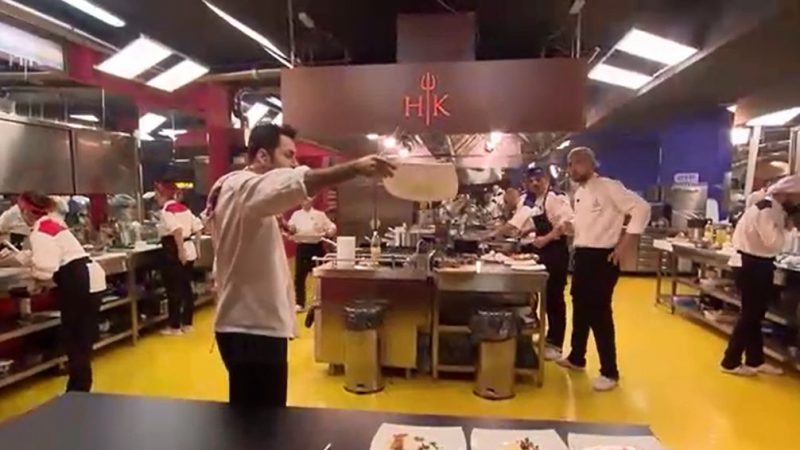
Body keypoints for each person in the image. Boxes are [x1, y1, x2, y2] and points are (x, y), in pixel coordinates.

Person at [205, 124, 395, 408]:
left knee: (254, 420)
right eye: (288, 155)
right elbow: (297, 182)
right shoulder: (243, 187)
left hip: (247, 327)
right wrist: (354, 168)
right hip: (252, 331)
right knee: (262, 422)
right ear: (262, 157)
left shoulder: (234, 190)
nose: (294, 163)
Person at [557, 147, 650, 392]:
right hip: (582, 256)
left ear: (591, 164)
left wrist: (625, 246)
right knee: (579, 307)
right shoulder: (579, 193)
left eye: (578, 162)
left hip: (602, 258)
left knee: (599, 314)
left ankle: (610, 371)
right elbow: (587, 224)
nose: (573, 168)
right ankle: (577, 357)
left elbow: (642, 209)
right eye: (570, 164)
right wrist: (570, 226)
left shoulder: (609, 187)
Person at [18, 191, 106, 392]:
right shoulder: (53, 223)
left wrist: (32, 273)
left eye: (22, 210)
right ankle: (79, 388)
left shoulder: (40, 232)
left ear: (28, 212)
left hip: (79, 283)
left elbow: (45, 269)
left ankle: (78, 391)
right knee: (82, 341)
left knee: (75, 342)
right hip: (90, 280)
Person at [721, 175, 800, 376]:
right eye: (796, 197)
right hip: (752, 265)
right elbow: (773, 243)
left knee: (755, 315)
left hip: (758, 264)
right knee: (750, 315)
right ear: (786, 193)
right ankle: (730, 362)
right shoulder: (767, 210)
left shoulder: (774, 209)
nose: (797, 202)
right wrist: (789, 228)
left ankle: (755, 361)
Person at [518, 167, 574, 361]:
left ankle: (556, 344)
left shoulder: (556, 197)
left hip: (556, 252)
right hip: (542, 251)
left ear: (547, 179)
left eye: (539, 179)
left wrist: (546, 238)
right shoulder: (536, 200)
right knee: (539, 296)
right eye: (531, 180)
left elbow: (565, 224)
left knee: (554, 298)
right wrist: (528, 231)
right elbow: (543, 221)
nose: (535, 183)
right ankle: (544, 336)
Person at [154, 181, 204, 336]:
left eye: (157, 194)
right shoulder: (184, 209)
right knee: (186, 288)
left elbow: (177, 230)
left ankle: (174, 326)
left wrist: (180, 251)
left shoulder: (167, 210)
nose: (155, 197)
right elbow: (198, 227)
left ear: (163, 195)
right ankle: (187, 323)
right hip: (189, 250)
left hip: (174, 251)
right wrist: (198, 247)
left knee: (173, 289)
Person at [288, 198, 336, 311]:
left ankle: (321, 300)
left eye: (308, 200)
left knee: (320, 276)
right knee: (299, 277)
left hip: (316, 247)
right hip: (302, 247)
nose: (306, 202)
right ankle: (299, 303)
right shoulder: (296, 215)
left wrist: (329, 232)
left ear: (312, 201)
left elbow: (332, 227)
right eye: (304, 200)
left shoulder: (320, 215)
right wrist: (292, 228)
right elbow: (291, 228)